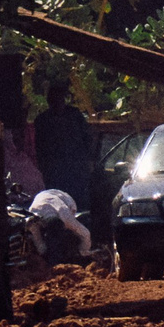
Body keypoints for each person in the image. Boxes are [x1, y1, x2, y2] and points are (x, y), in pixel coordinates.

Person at [31, 81, 94, 218]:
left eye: (60, 98)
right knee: (58, 205)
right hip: (55, 172)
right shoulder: (43, 120)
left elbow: (87, 139)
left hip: (76, 170)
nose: (57, 102)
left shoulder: (75, 116)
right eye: (54, 99)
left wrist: (87, 162)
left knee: (80, 207)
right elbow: (39, 148)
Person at [27, 187, 91, 262]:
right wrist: (83, 252)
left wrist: (44, 253)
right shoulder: (63, 211)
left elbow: (38, 240)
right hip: (53, 215)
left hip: (45, 200)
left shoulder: (33, 211)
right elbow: (84, 233)